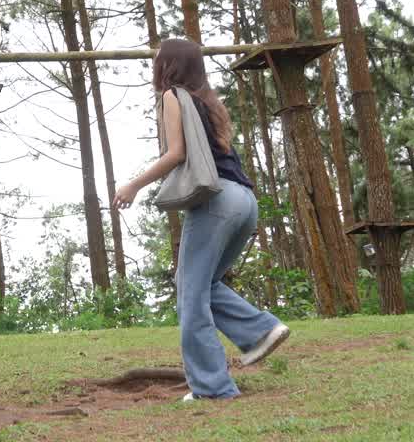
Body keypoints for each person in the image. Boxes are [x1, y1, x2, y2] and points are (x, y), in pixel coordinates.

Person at [113, 38, 290, 401]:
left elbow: (176, 153)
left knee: (190, 297)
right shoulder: (208, 101)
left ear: (170, 65)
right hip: (244, 201)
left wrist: (133, 185)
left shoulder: (171, 96)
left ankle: (212, 387)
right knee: (198, 283)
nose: (154, 63)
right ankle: (260, 331)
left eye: (157, 57)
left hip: (217, 202)